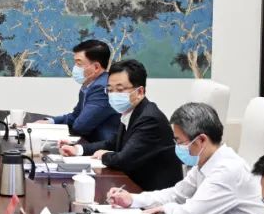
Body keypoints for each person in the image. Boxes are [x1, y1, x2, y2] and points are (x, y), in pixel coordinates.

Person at [107, 102, 264, 214]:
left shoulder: (228, 170)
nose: (177, 147)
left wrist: (163, 208)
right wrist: (133, 199)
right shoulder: (206, 162)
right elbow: (177, 194)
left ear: (201, 140)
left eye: (180, 142)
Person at [61, 59, 181, 191]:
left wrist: (104, 155)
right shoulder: (131, 112)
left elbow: (123, 160)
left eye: (119, 89)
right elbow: (111, 143)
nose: (113, 95)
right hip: (134, 184)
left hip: (152, 192)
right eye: (109, 90)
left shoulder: (149, 119)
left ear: (140, 92)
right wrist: (78, 149)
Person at [37, 39, 119, 143]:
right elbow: (75, 116)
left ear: (96, 67)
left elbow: (81, 126)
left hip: (104, 147)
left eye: (79, 63)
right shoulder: (88, 84)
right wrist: (50, 122)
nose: (75, 68)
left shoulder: (102, 88)